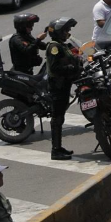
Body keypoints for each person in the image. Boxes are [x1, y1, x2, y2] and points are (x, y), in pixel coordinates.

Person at [45, 18, 81, 160]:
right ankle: (56, 150)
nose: (68, 32)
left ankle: (59, 147)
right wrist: (70, 68)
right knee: (57, 118)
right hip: (57, 87)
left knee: (60, 117)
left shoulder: (62, 45)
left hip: (64, 85)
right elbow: (55, 68)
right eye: (66, 30)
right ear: (59, 32)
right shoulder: (54, 47)